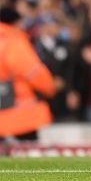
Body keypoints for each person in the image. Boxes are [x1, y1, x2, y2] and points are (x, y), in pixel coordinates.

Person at [0, 7, 56, 139]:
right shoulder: (13, 42)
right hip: (19, 115)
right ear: (16, 23)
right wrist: (50, 87)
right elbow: (33, 72)